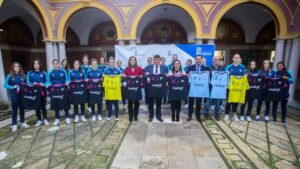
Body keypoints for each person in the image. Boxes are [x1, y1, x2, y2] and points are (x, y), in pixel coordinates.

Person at [5, 62, 30, 132]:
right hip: (14, 96)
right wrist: (12, 87)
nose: (16, 68)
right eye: (15, 66)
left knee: (22, 109)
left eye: (18, 66)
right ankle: (14, 124)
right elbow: (5, 84)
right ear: (13, 67)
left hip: (22, 96)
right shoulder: (9, 76)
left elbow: (26, 84)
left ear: (20, 68)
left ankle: (22, 122)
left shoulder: (23, 76)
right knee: (14, 110)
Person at [144, 54, 169, 122]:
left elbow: (166, 78)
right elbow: (145, 76)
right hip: (151, 89)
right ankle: (151, 116)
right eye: (155, 60)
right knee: (150, 104)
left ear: (160, 60)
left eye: (158, 59)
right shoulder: (148, 67)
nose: (156, 61)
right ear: (153, 60)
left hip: (159, 89)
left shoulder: (164, 68)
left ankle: (159, 116)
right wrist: (147, 77)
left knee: (159, 104)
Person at [186, 55, 209, 121]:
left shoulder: (205, 68)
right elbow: (187, 76)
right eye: (197, 59)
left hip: (200, 88)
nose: (198, 60)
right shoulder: (190, 67)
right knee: (190, 102)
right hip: (192, 88)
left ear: (201, 60)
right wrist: (189, 74)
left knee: (199, 102)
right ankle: (189, 115)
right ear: (195, 60)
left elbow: (208, 76)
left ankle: (198, 115)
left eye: (199, 59)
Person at [224, 53, 247, 121]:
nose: (237, 59)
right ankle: (226, 114)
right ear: (233, 59)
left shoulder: (242, 67)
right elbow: (225, 75)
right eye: (235, 57)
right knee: (229, 101)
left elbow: (245, 75)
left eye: (238, 58)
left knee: (235, 101)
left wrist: (245, 76)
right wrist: (226, 73)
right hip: (230, 87)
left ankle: (234, 115)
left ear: (240, 59)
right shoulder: (229, 67)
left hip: (238, 88)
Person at [47, 59, 70, 126]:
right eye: (54, 64)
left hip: (63, 90)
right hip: (54, 91)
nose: (55, 65)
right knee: (56, 104)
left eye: (56, 63)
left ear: (59, 64)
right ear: (52, 65)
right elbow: (48, 81)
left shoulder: (63, 71)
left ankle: (67, 117)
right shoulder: (50, 72)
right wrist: (48, 84)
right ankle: (57, 118)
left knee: (65, 103)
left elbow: (67, 79)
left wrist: (67, 83)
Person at [26, 59, 49, 126]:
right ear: (33, 65)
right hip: (34, 92)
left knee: (43, 106)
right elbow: (27, 82)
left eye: (37, 64)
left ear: (39, 65)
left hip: (43, 91)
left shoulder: (44, 73)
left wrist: (43, 84)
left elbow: (47, 82)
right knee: (37, 106)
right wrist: (33, 83)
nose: (36, 65)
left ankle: (45, 119)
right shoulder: (30, 73)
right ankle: (39, 120)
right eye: (35, 63)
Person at [124, 56, 143, 121]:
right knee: (130, 103)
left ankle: (135, 116)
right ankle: (130, 116)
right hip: (129, 89)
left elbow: (142, 75)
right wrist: (123, 75)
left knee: (136, 103)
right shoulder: (126, 68)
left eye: (133, 60)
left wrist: (141, 76)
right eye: (131, 60)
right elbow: (124, 77)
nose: (132, 61)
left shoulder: (139, 68)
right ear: (129, 61)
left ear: (135, 61)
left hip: (136, 89)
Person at [206, 56, 225, 121]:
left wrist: (227, 74)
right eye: (215, 59)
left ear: (219, 61)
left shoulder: (222, 68)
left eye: (218, 59)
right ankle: (206, 114)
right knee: (208, 102)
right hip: (210, 88)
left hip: (218, 88)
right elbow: (206, 77)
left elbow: (224, 77)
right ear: (213, 60)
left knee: (217, 103)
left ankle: (216, 115)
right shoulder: (208, 68)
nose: (216, 60)